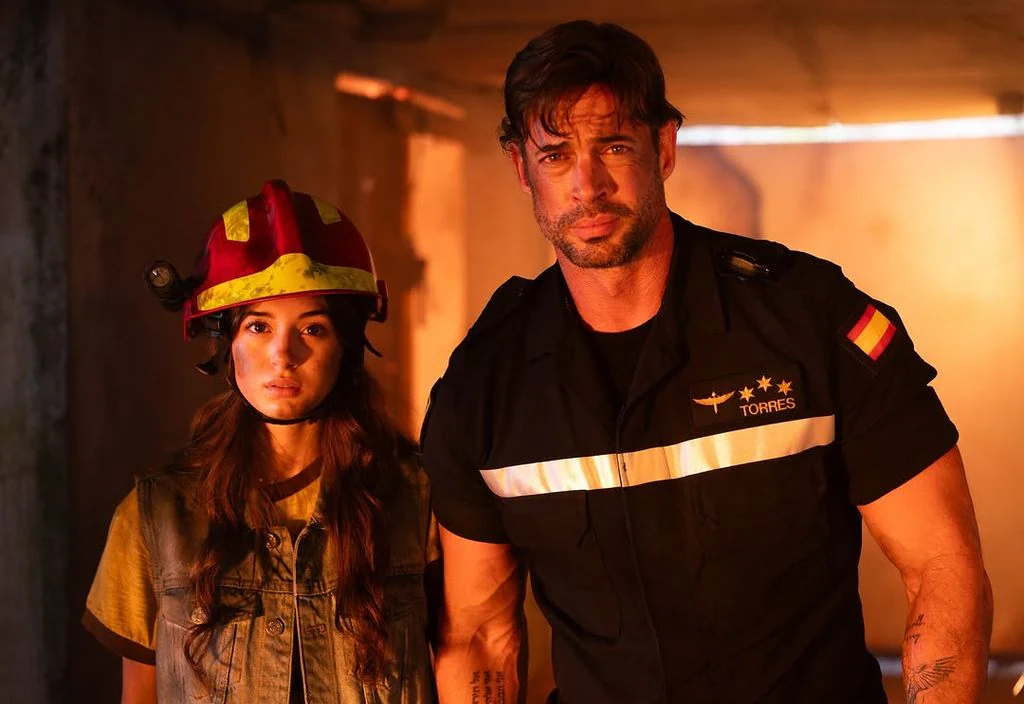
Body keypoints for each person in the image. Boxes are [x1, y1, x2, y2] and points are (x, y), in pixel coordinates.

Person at [421, 20, 993, 704]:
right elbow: (479, 636)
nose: (586, 185)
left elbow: (941, 568)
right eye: (555, 156)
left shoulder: (808, 320)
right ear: (522, 168)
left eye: (613, 146)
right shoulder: (486, 384)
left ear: (664, 147)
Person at [83, 180, 439, 703]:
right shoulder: (154, 516)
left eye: (313, 329)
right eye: (258, 327)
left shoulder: (416, 500)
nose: (283, 356)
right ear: (225, 342)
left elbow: (473, 651)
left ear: (347, 346)